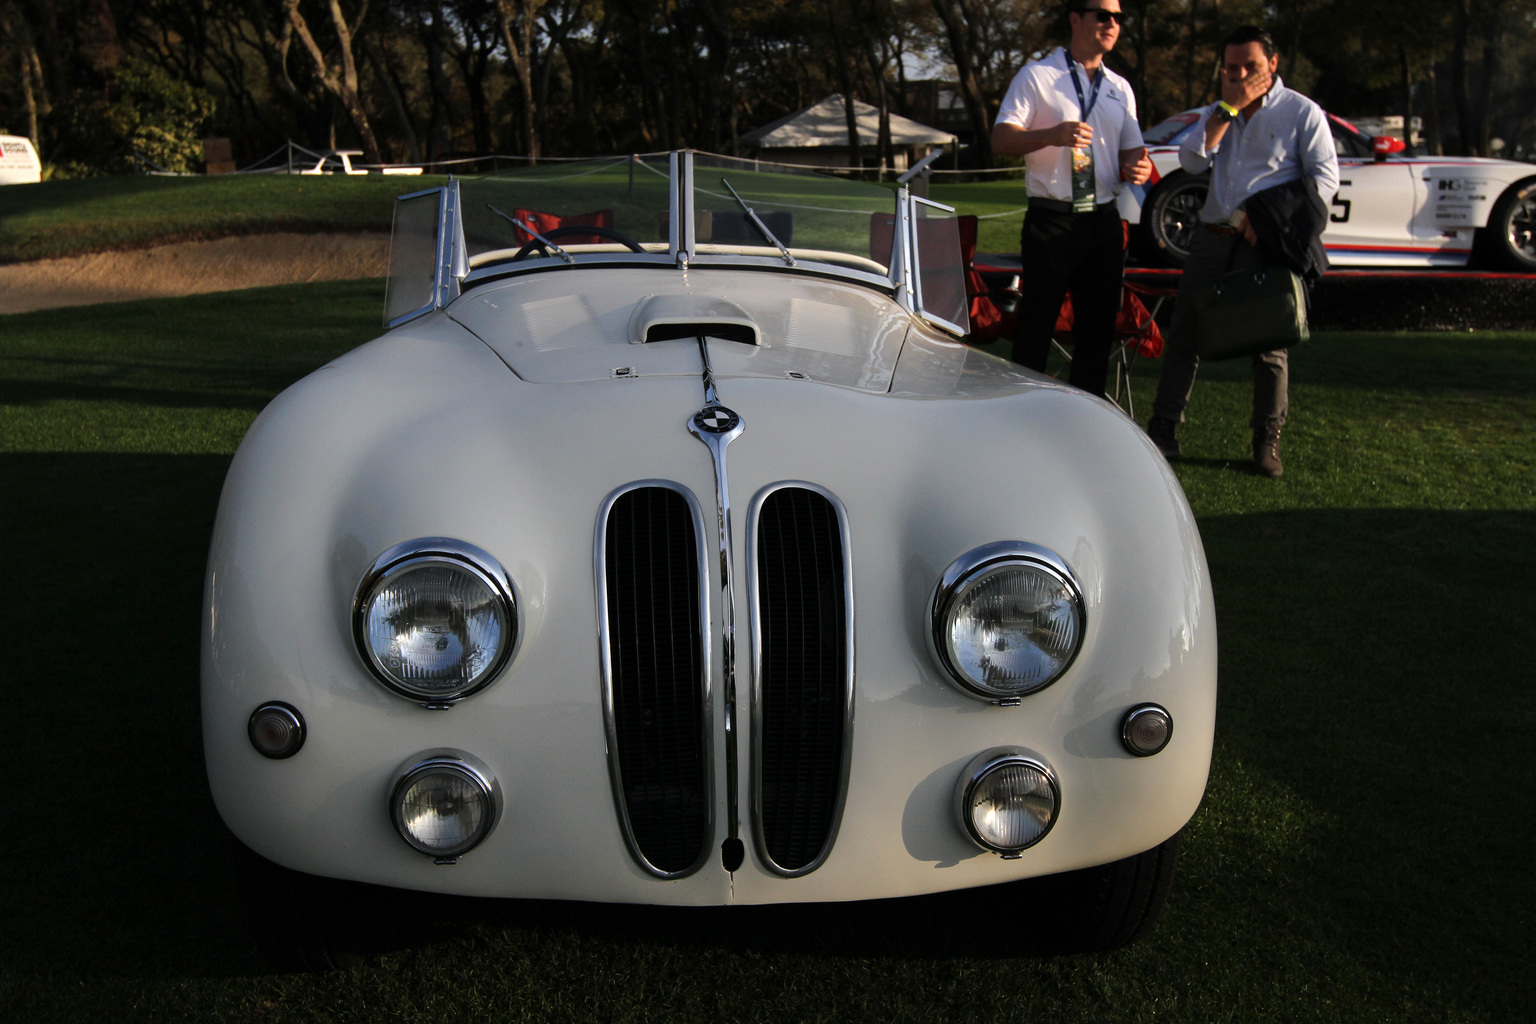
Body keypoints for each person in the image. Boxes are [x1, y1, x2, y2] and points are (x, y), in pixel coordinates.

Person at [1146, 26, 1339, 477]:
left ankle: (1266, 442)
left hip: (1263, 242)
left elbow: (1325, 181)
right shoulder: (1219, 111)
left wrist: (1270, 216)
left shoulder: (1301, 113)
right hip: (1213, 235)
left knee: (1269, 346)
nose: (1239, 75)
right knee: (1185, 336)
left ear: (1272, 65)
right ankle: (1164, 428)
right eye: (1231, 68)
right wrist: (1226, 110)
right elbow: (1193, 160)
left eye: (1249, 67)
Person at [992, 1, 1151, 399]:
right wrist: (1051, 135)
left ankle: (1086, 426)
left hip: (1103, 223)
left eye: (1118, 16)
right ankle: (1018, 416)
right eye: (1103, 14)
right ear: (1075, 19)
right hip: (1052, 221)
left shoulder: (1120, 88)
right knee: (1036, 328)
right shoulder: (1038, 76)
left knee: (1097, 333)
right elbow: (1001, 140)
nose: (1112, 23)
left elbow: (1133, 151)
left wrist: (1139, 167)